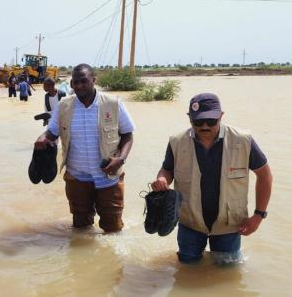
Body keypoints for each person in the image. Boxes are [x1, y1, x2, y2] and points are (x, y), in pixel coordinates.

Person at [150, 93, 273, 264]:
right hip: (190, 222)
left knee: (227, 272)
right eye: (198, 122)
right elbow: (167, 169)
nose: (205, 126)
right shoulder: (176, 141)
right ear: (189, 118)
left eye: (211, 121)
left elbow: (265, 175)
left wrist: (258, 216)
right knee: (187, 267)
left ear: (221, 116)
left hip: (229, 225)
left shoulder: (243, 141)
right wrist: (162, 179)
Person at [34, 63, 135, 233]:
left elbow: (128, 134)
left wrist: (121, 159)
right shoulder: (64, 105)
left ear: (94, 80)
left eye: (83, 81)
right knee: (81, 228)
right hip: (77, 179)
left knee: (113, 228)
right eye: (75, 82)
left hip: (108, 177)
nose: (79, 86)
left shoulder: (112, 103)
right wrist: (42, 138)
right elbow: (52, 133)